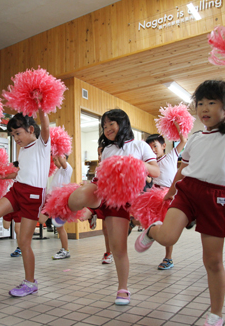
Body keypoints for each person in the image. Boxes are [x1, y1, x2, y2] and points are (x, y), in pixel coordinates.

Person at [134, 56, 225, 326]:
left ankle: (216, 315)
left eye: (211, 102)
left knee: (213, 261)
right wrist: (170, 192)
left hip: (216, 197)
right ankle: (152, 230)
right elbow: (183, 169)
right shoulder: (194, 137)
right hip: (188, 192)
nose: (204, 108)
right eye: (200, 103)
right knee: (168, 237)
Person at [67, 108, 160, 305]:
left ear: (122, 123)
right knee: (75, 198)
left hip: (126, 200)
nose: (107, 128)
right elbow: (100, 177)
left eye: (111, 124)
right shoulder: (107, 150)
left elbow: (156, 171)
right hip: (106, 195)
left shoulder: (139, 145)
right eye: (104, 126)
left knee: (118, 248)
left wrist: (135, 164)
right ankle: (92, 208)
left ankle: (123, 288)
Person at [0, 110, 50, 297]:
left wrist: (41, 106)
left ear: (30, 129)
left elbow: (45, 126)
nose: (15, 138)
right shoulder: (23, 150)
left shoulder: (42, 144)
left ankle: (30, 283)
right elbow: (22, 172)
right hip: (17, 189)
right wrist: (4, 175)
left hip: (33, 197)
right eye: (12, 135)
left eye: (17, 133)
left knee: (24, 242)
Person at [145, 128, 187, 271]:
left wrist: (177, 124)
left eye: (155, 146)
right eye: (150, 148)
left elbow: (183, 141)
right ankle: (145, 231)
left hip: (169, 196)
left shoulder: (172, 156)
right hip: (154, 196)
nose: (153, 150)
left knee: (168, 228)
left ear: (164, 146)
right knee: (145, 218)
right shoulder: (150, 165)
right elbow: (149, 178)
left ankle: (168, 258)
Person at [40, 154, 73, 260]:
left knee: (59, 227)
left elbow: (62, 162)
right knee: (43, 221)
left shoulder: (67, 168)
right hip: (52, 202)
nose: (55, 162)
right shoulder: (58, 171)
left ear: (64, 158)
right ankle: (65, 250)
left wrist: (58, 150)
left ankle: (65, 250)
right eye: (54, 160)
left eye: (57, 159)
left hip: (59, 203)